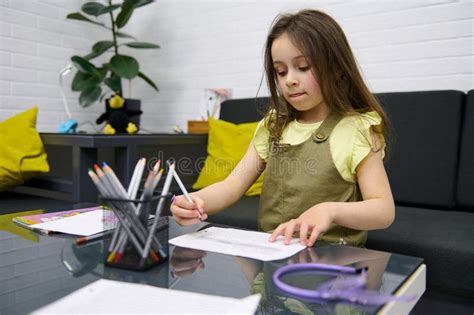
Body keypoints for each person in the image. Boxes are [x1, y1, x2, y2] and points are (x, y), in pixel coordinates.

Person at [171, 9, 395, 248]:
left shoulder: (357, 129)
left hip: (333, 265)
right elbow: (231, 186)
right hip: (272, 256)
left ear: (337, 68)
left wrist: (330, 211)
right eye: (281, 71)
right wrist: (195, 200)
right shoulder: (273, 125)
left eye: (304, 66)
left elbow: (383, 210)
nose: (290, 80)